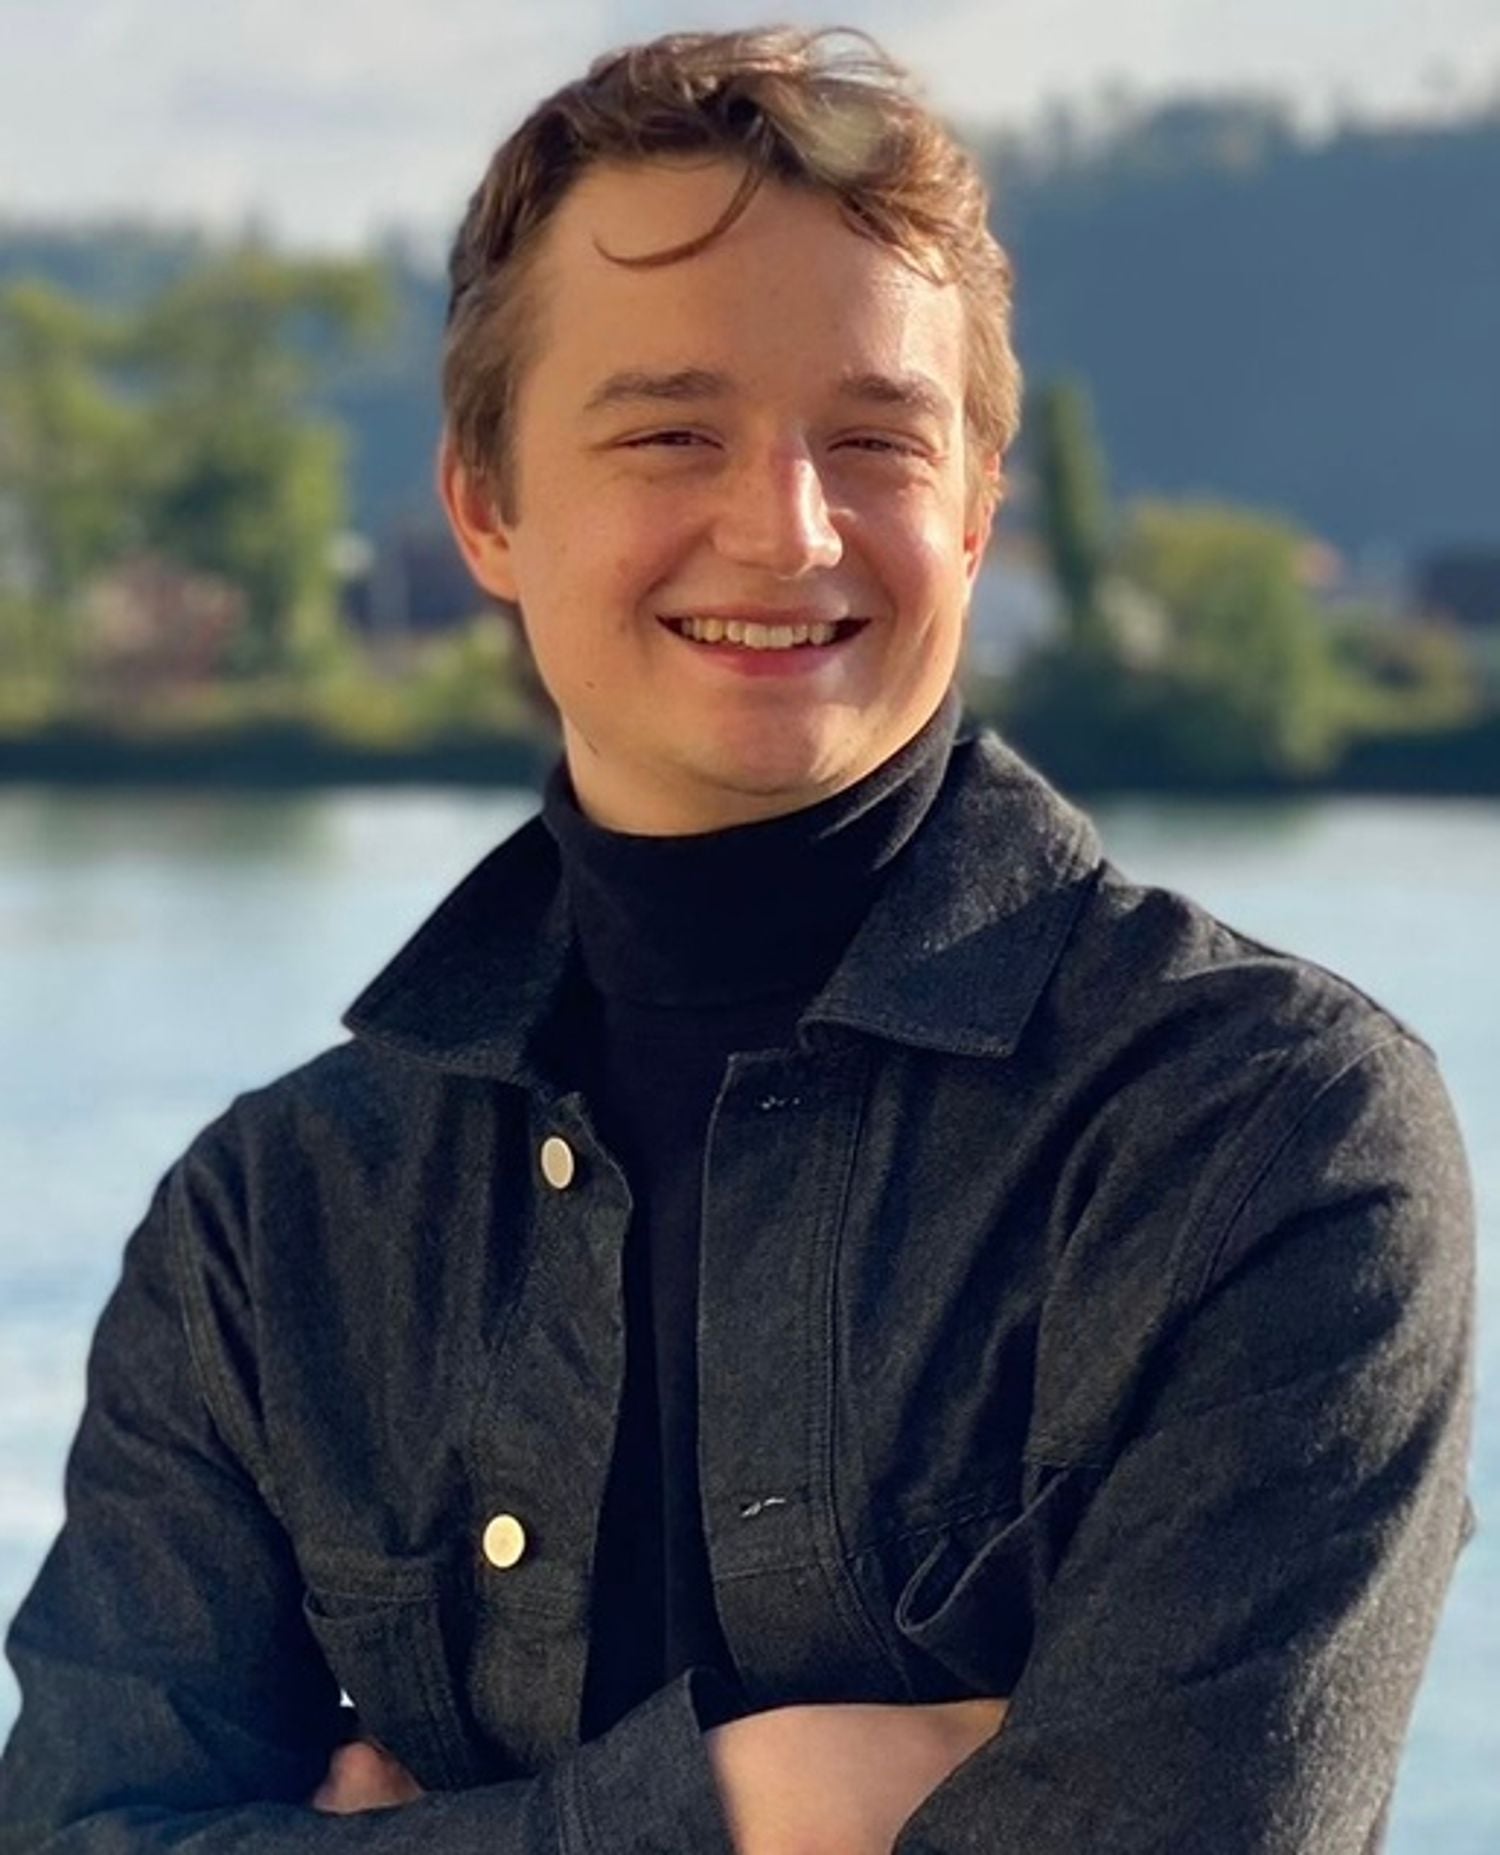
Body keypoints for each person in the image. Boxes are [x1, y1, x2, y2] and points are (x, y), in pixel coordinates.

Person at [0, 25, 1475, 1855]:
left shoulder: (1259, 1139)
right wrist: (731, 1808)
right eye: (670, 433)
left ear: (975, 505)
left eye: (875, 440)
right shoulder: (273, 1226)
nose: (785, 532)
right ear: (486, 507)